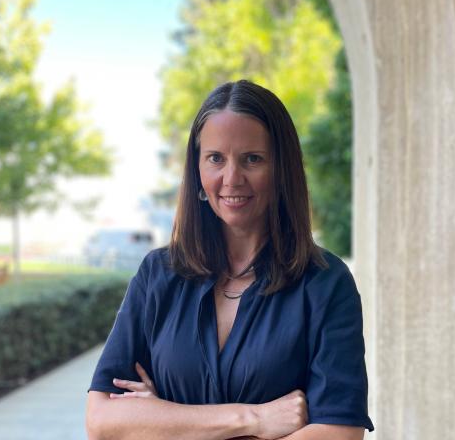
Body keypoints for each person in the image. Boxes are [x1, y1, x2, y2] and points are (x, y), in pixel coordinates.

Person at [86, 79, 374, 440]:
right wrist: (253, 419)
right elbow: (102, 421)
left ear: (281, 169)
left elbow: (339, 434)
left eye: (252, 159)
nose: (231, 178)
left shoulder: (325, 284)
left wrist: (164, 421)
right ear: (198, 169)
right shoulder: (157, 276)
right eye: (215, 159)